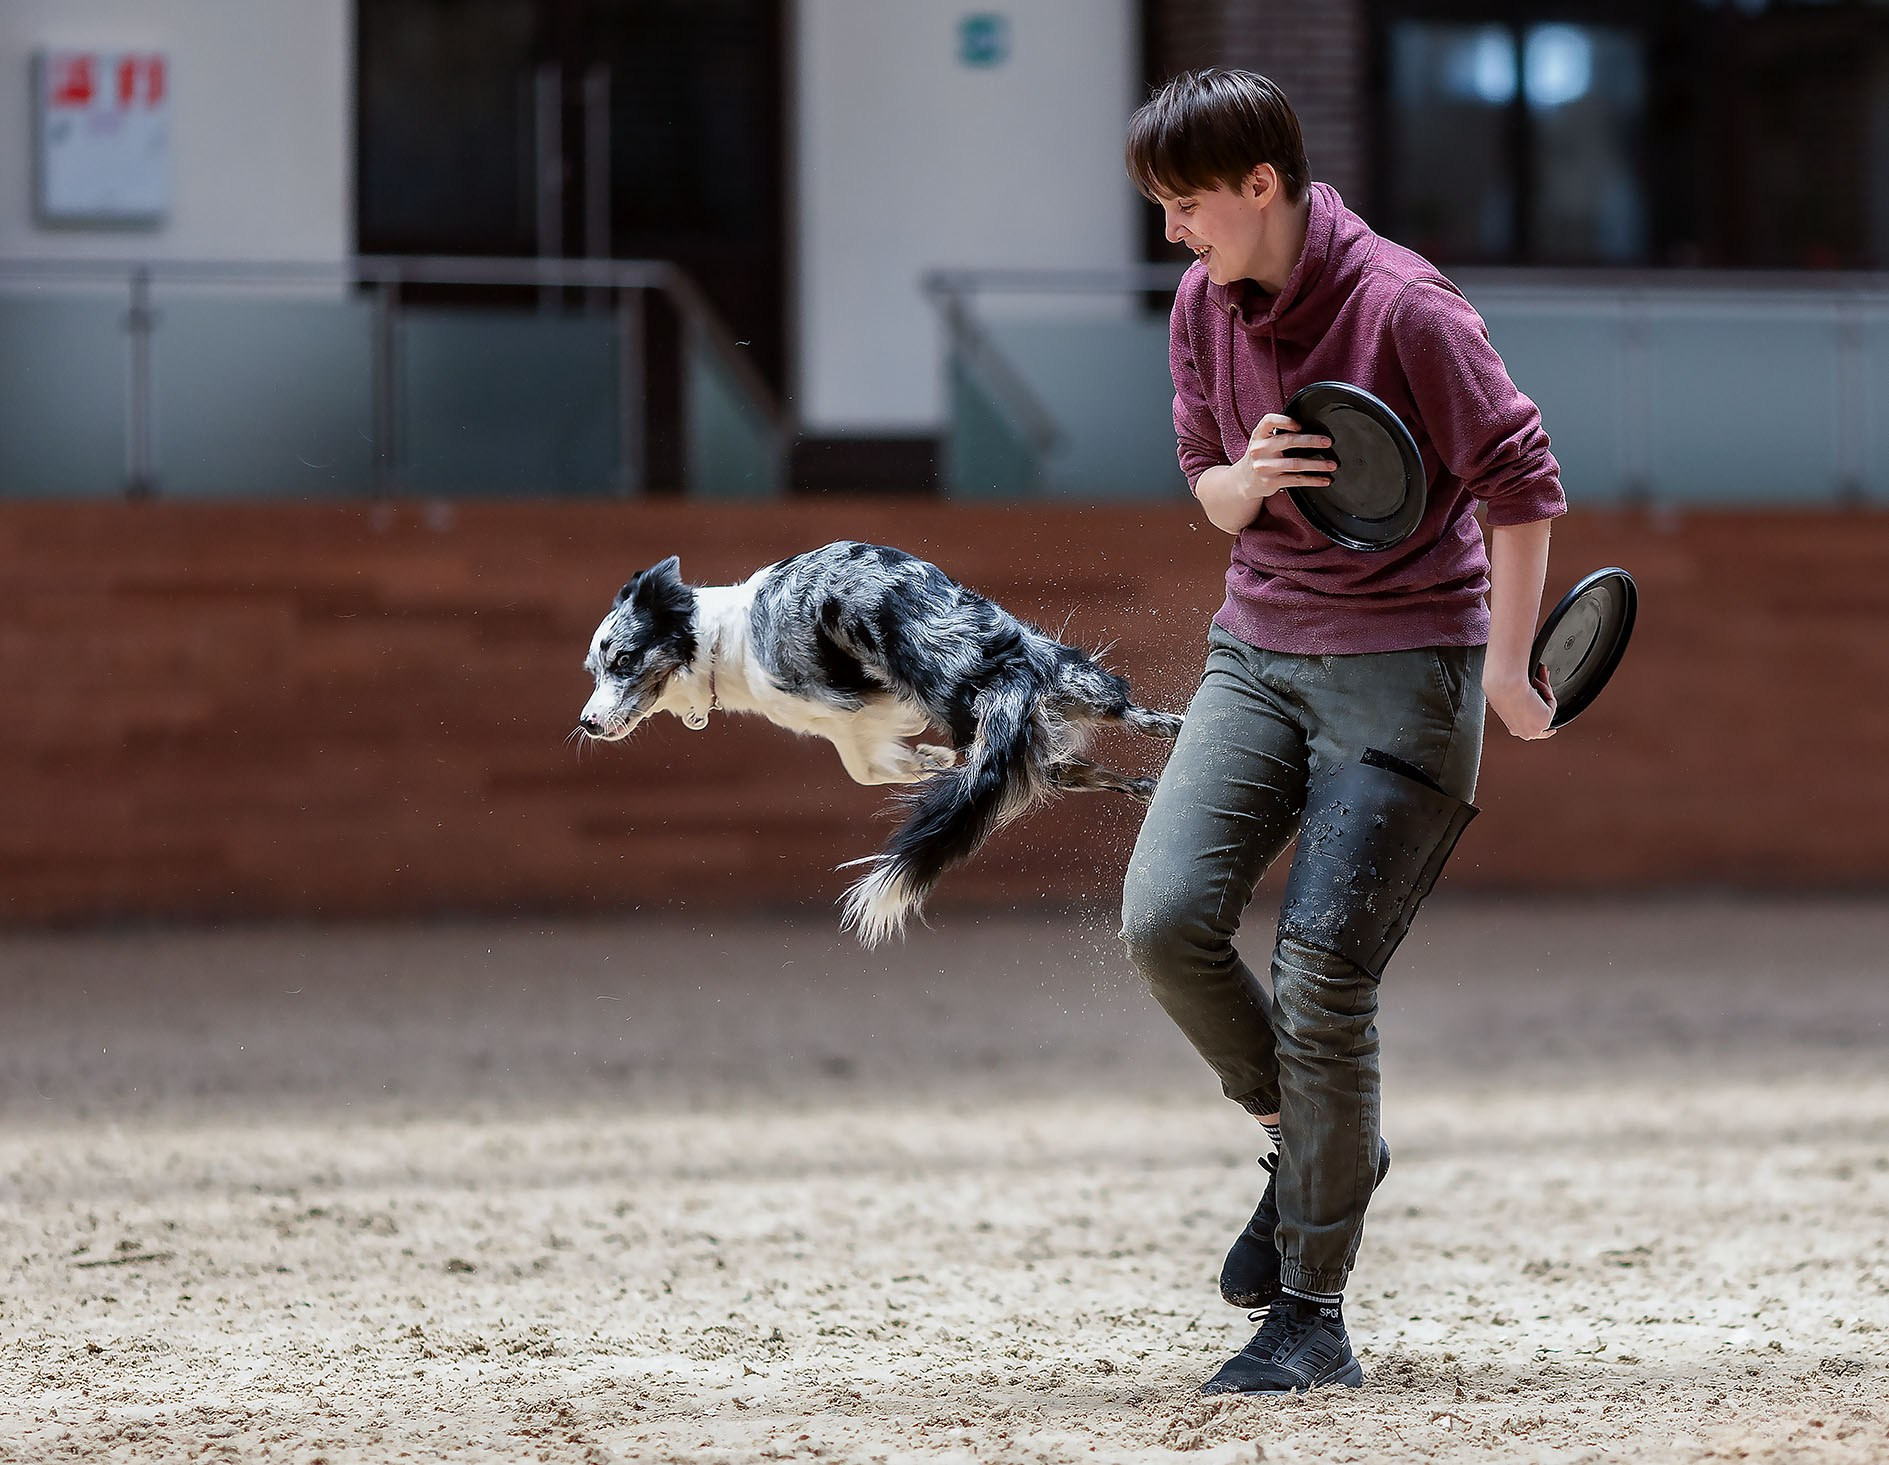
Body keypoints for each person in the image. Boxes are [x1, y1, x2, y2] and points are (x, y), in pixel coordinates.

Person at [1118, 68, 1563, 1395]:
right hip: (1255, 656)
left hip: (1404, 677)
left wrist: (1508, 665)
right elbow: (1206, 482)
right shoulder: (1204, 304)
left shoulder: (1405, 309)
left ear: (1262, 185)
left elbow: (1522, 487)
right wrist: (1234, 485)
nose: (1171, 238)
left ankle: (1309, 1316)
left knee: (1321, 977)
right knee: (1160, 918)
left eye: (1184, 205)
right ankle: (1308, 1136)